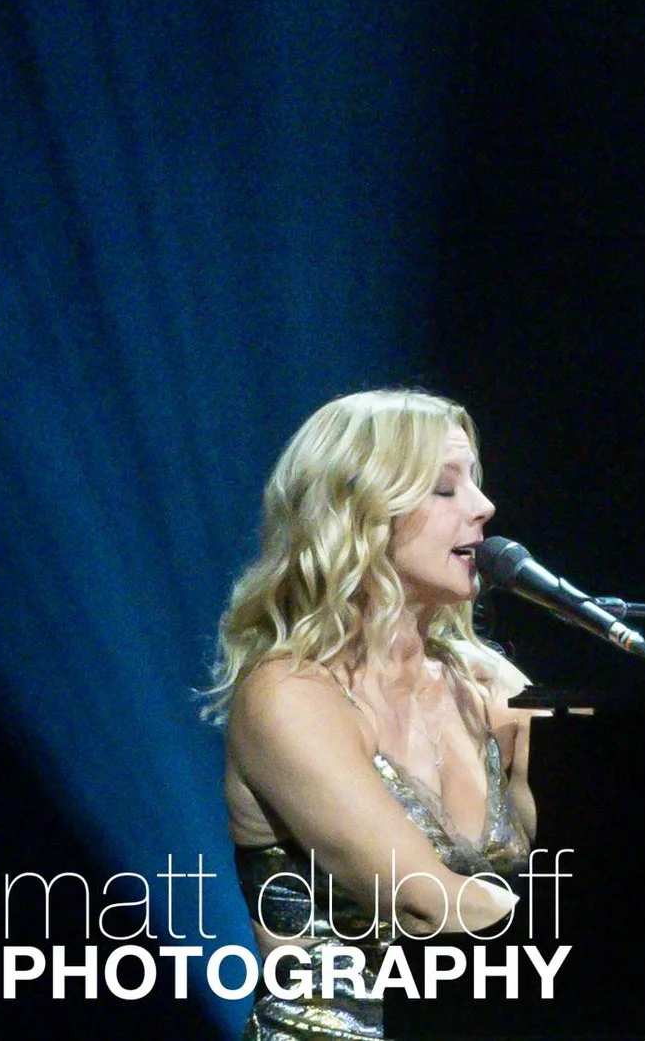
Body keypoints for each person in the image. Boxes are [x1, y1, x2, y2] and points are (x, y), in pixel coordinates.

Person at [203, 389, 537, 1040]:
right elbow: (424, 901)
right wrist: (610, 944)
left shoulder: (489, 686)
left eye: (475, 481)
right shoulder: (288, 694)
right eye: (445, 488)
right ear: (359, 515)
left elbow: (603, 847)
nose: (483, 506)